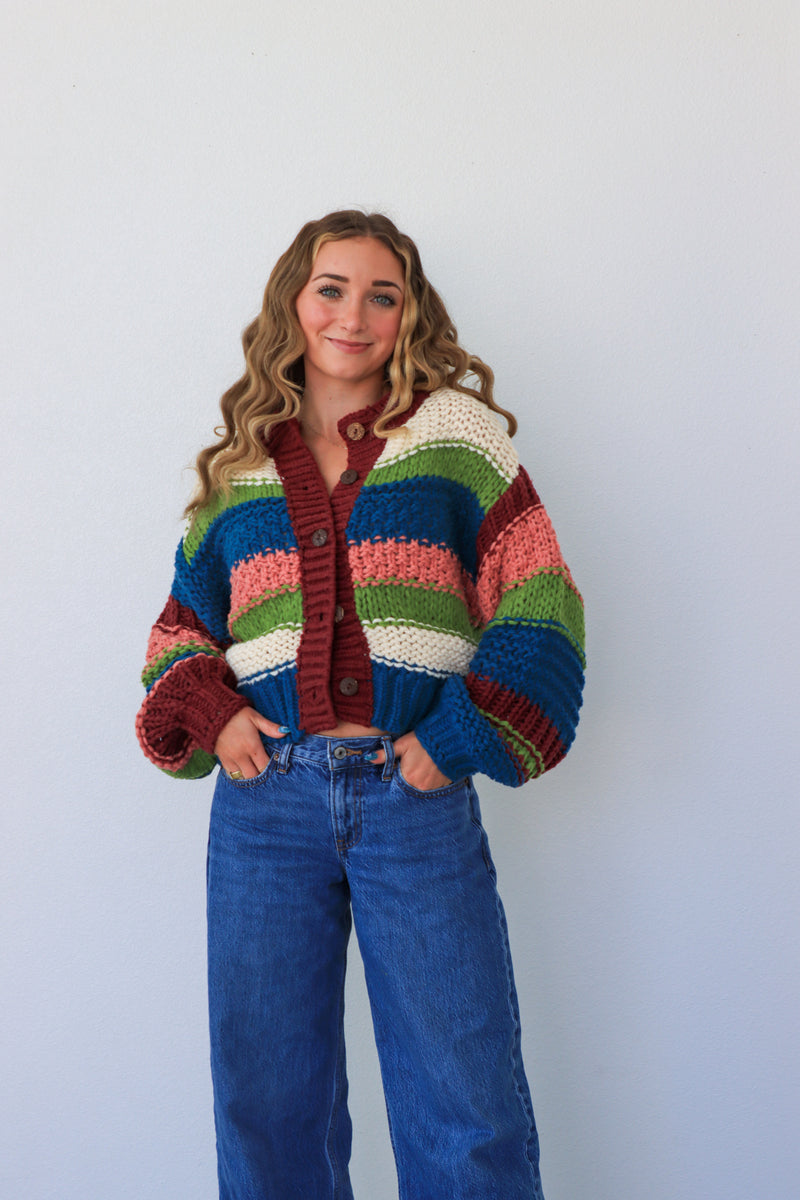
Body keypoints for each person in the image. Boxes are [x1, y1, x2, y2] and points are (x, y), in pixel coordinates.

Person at [136, 210, 585, 1200]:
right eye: (331, 287)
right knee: (266, 1101)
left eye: (382, 294)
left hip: (411, 801)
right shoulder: (239, 461)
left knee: (465, 1103)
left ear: (407, 314)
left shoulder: (454, 437)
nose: (353, 313)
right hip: (265, 809)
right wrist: (213, 714)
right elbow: (178, 631)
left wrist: (458, 734)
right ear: (292, 303)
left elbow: (539, 592)